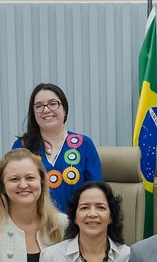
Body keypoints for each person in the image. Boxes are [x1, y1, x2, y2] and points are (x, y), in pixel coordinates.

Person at [14, 82, 102, 215]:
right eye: (39, 106)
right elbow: (12, 188)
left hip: (76, 225)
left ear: (64, 109)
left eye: (53, 103)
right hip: (34, 224)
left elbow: (96, 192)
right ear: (33, 113)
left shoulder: (84, 144)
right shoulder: (22, 146)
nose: (46, 109)